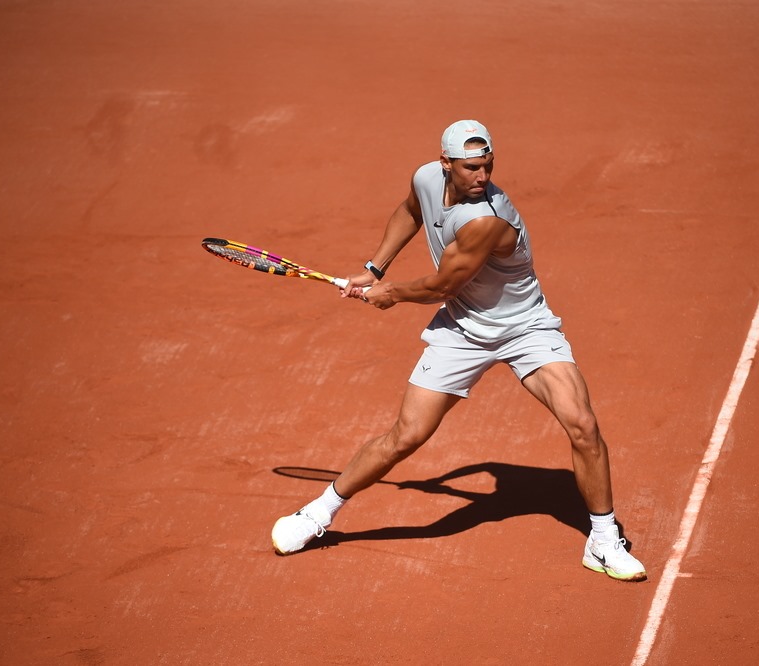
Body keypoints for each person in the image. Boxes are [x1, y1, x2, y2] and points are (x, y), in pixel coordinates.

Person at [271, 120, 646, 581]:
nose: (482, 177)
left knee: (583, 425)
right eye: (471, 168)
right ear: (445, 164)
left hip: (524, 328)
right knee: (405, 436)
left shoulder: (486, 220)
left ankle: (604, 541)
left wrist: (392, 294)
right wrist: (374, 268)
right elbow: (411, 211)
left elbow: (443, 284)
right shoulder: (427, 177)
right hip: (463, 329)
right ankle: (317, 515)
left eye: (488, 167)